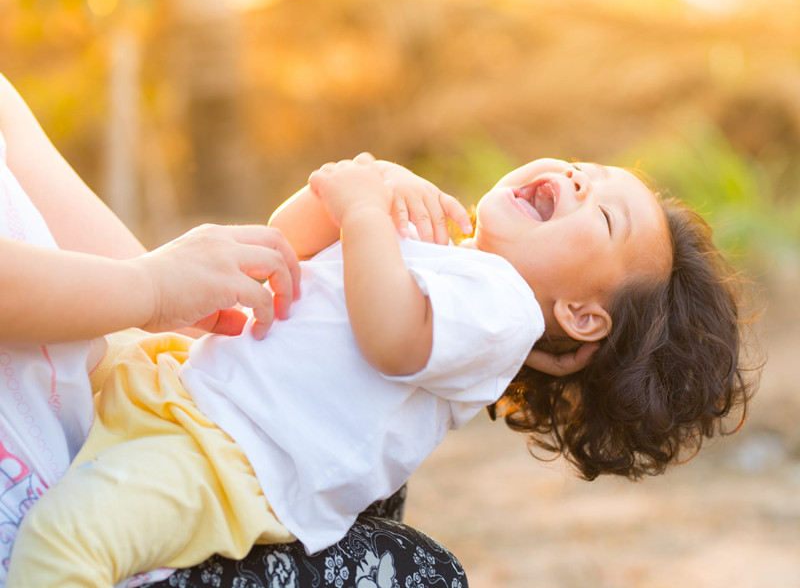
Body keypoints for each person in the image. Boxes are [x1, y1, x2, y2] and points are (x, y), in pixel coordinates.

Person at [7, 148, 754, 587]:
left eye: (603, 214)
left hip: (223, 460)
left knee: (67, 548)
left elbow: (391, 337)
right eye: (584, 168)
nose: (578, 180)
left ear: (583, 317)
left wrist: (367, 214)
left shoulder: (502, 311)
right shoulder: (444, 248)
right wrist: (345, 189)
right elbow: (283, 247)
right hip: (181, 391)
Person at [0, 73, 470, 588]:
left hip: (96, 416)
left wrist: (188, 294)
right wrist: (152, 286)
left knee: (360, 464)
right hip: (47, 520)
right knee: (421, 573)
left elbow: (143, 280)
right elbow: (148, 286)